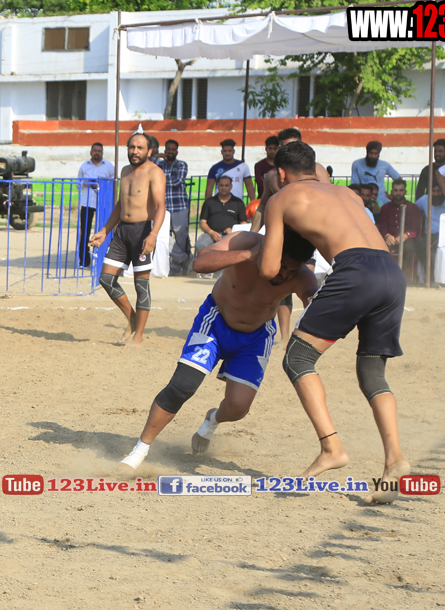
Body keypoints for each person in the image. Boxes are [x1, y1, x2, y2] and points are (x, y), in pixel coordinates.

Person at [261, 141, 409, 503]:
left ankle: (331, 448)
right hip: (391, 273)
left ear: (281, 173)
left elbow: (268, 269)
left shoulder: (281, 198)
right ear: (314, 167)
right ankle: (395, 460)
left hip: (355, 270)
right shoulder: (347, 193)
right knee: (372, 373)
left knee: (297, 358)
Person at [120, 227, 318, 469]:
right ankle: (140, 450)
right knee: (182, 386)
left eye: (292, 270)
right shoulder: (245, 241)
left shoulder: (302, 276)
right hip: (215, 322)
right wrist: (247, 255)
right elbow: (200, 263)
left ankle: (211, 421)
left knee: (238, 408)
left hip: (255, 338)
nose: (284, 275)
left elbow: (315, 305)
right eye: (282, 266)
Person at [86, 132, 167, 346]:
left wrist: (153, 234)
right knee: (106, 279)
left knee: (141, 285)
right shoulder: (124, 171)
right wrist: (104, 230)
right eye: (132, 147)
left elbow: (161, 206)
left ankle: (138, 335)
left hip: (143, 231)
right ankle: (132, 318)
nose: (135, 151)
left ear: (149, 151)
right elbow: (121, 204)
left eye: (140, 148)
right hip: (122, 232)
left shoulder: (155, 172)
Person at [252, 127, 330, 230]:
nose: (290, 151)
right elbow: (262, 208)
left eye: (294, 147)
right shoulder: (271, 176)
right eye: (286, 148)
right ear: (280, 148)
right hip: (284, 232)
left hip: (314, 230)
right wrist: (252, 233)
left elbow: (330, 202)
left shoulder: (317, 170)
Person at [75, 142, 114, 270]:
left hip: (102, 203)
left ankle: (103, 260)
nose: (97, 153)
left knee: (103, 231)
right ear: (91, 152)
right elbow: (78, 184)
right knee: (85, 232)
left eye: (99, 151)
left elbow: (113, 184)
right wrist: (86, 182)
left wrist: (101, 184)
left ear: (102, 153)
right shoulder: (84, 166)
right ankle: (84, 261)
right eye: (95, 150)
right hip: (87, 203)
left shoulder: (109, 166)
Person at [377, 178, 423, 282]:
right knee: (381, 249)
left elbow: (416, 228)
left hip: (407, 237)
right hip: (390, 237)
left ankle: (403, 275)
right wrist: (387, 235)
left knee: (410, 248)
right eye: (396, 190)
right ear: (392, 191)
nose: (398, 193)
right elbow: (382, 226)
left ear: (405, 191)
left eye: (401, 190)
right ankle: (386, 277)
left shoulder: (413, 207)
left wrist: (406, 235)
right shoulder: (385, 208)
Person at [156, 139, 190, 275]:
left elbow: (177, 181)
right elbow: (147, 169)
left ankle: (176, 268)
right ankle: (183, 259)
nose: (170, 152)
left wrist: (160, 180)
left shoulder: (182, 164)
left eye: (173, 149)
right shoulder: (158, 164)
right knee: (164, 236)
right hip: (162, 207)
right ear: (165, 150)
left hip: (179, 206)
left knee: (181, 238)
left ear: (177, 151)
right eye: (168, 149)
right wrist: (156, 156)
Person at [195, 175, 245, 255]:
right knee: (201, 244)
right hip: (211, 235)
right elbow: (202, 222)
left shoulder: (238, 203)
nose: (224, 188)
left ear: (231, 186)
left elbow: (243, 223)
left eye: (226, 185)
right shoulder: (209, 202)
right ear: (217, 186)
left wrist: (233, 231)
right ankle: (204, 263)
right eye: (221, 185)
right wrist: (211, 232)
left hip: (231, 235)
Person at [414, 181, 445, 275]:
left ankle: (437, 275)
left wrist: (442, 238)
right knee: (419, 245)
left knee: (436, 251)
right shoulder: (425, 199)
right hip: (428, 235)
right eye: (433, 191)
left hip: (444, 236)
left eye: (439, 191)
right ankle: (430, 274)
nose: (436, 194)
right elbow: (413, 209)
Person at [350, 141, 400, 207]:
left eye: (375, 153)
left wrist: (393, 194)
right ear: (367, 152)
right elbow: (354, 185)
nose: (373, 156)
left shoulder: (385, 165)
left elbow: (398, 179)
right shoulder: (357, 164)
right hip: (364, 200)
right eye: (371, 153)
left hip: (383, 200)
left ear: (379, 153)